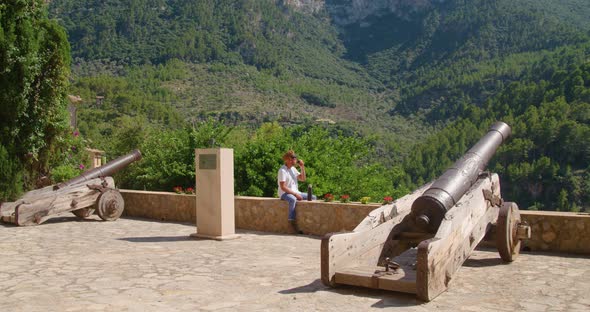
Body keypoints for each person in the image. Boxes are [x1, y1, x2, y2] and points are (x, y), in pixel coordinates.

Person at [277, 150, 316, 230]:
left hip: (295, 192)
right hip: (284, 193)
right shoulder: (282, 171)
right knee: (293, 199)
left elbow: (303, 179)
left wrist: (302, 167)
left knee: (313, 197)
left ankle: (309, 220)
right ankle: (291, 222)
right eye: (294, 158)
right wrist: (295, 194)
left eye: (295, 158)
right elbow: (283, 187)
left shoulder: (293, 169)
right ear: (289, 160)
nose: (296, 159)